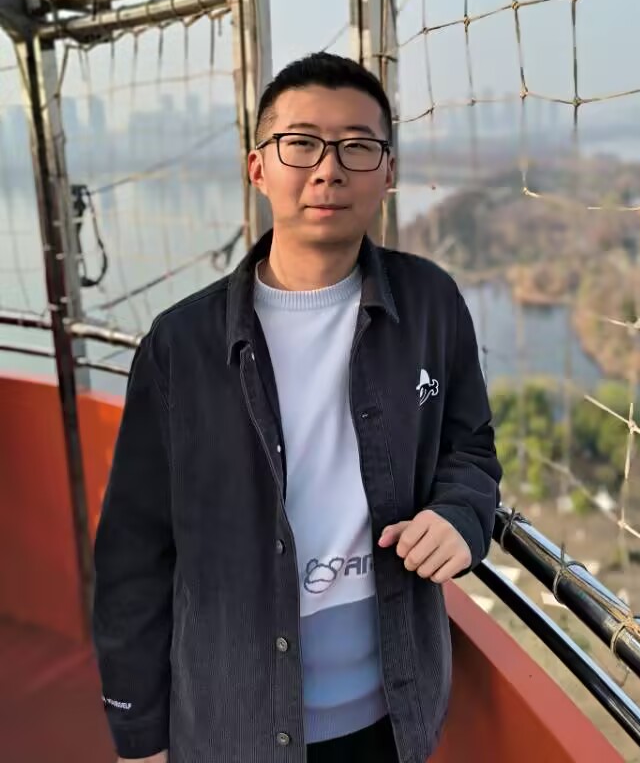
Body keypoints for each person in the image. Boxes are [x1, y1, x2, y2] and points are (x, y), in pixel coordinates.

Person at [93, 52, 502, 763]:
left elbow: (471, 445)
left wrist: (461, 515)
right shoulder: (181, 345)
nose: (329, 169)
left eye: (357, 146)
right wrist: (139, 736)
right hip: (234, 724)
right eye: (301, 143)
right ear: (258, 167)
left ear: (389, 171)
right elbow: (135, 548)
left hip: (394, 715)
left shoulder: (430, 304)